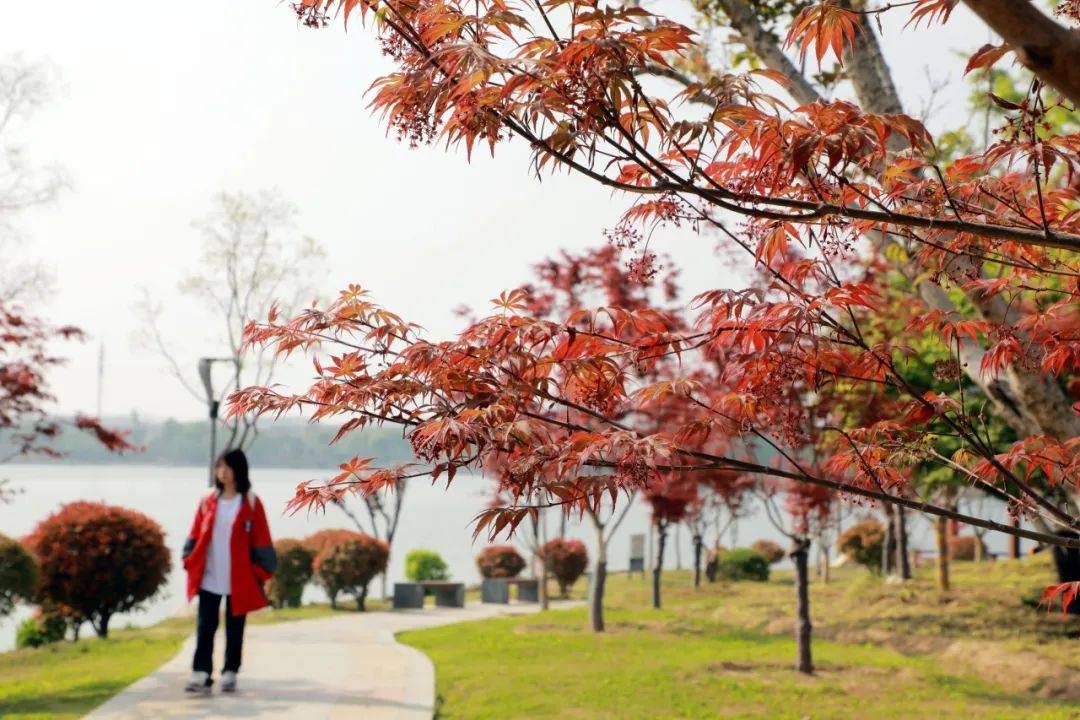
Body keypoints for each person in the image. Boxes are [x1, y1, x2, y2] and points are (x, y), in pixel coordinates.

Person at [181, 448, 276, 694]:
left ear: (239, 469)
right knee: (205, 627)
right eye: (219, 466)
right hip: (210, 575)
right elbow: (195, 532)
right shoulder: (208, 500)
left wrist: (262, 572)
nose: (222, 471)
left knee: (235, 629)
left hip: (240, 579)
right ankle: (201, 673)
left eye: (227, 466)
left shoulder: (251, 502)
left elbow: (262, 538)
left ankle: (230, 672)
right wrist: (188, 558)